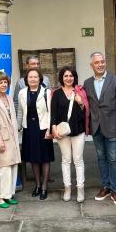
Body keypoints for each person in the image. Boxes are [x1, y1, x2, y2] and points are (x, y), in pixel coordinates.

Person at [83, 52, 116, 205]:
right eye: (97, 62)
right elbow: (87, 105)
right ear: (92, 65)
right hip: (96, 127)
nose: (100, 64)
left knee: (114, 159)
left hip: (113, 127)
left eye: (102, 61)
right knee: (101, 159)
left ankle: (115, 190)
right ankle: (105, 186)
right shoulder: (87, 83)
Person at [50, 66, 89, 203]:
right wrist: (53, 129)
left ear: (74, 77)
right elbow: (53, 113)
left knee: (78, 160)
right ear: (62, 77)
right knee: (66, 160)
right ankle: (67, 188)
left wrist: (81, 102)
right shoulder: (56, 93)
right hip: (62, 131)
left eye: (71, 76)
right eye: (65, 76)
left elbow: (86, 113)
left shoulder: (80, 91)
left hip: (78, 130)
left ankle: (80, 189)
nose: (68, 78)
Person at [17, 68, 54, 200]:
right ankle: (37, 185)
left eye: (35, 77)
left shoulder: (47, 92)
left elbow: (51, 112)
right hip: (29, 128)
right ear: (26, 79)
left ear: (40, 79)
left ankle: (44, 186)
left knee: (44, 158)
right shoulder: (22, 93)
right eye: (30, 77)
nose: (33, 79)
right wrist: (17, 127)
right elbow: (20, 111)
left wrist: (50, 129)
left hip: (43, 128)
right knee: (33, 158)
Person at [0, 71, 21, 208]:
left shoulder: (9, 98)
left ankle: (9, 195)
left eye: (5, 82)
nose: (3, 84)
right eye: (1, 82)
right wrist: (0, 140)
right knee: (3, 168)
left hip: (12, 137)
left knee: (13, 166)